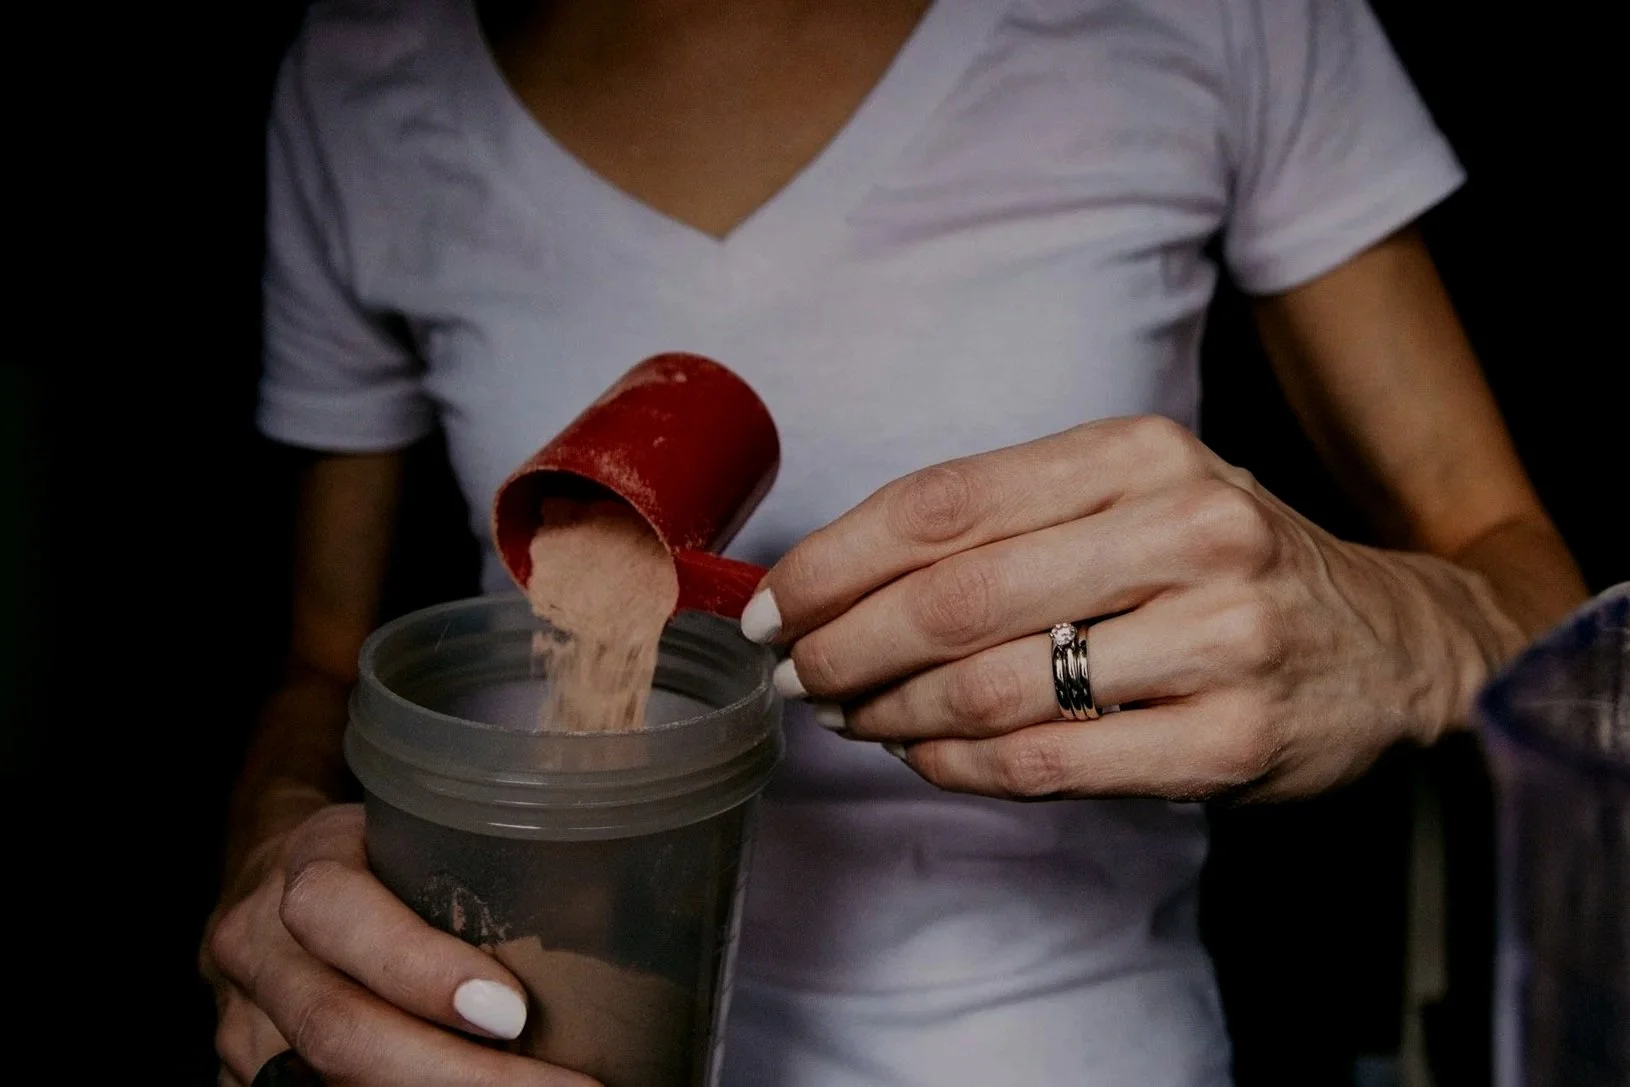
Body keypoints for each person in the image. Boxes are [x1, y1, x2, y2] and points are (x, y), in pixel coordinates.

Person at [202, 0, 1589, 1083]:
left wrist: (1406, 633)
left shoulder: (1218, 19)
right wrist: (275, 854)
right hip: (525, 1039)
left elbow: (1522, 573)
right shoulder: (362, 70)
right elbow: (325, 658)